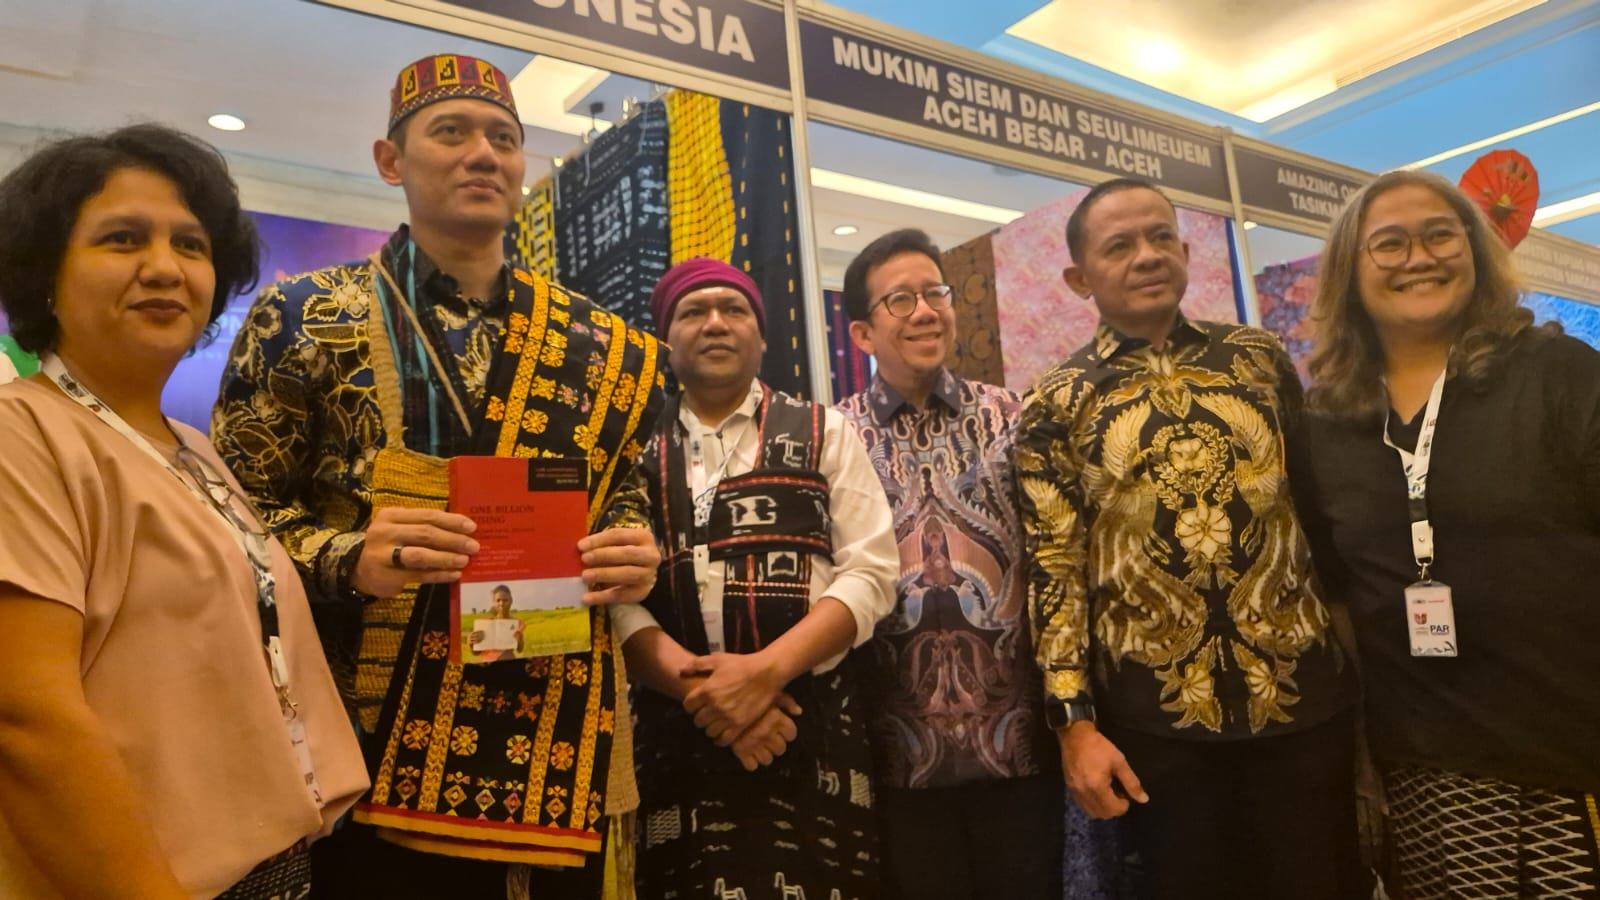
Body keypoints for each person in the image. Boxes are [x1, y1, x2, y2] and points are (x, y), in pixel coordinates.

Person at [212, 54, 667, 899]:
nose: (482, 154)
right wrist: (348, 555)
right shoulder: (305, 316)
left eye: (503, 137)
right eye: (449, 132)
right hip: (366, 740)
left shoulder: (596, 343)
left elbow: (622, 486)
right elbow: (231, 523)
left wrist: (635, 549)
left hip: (557, 734)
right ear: (392, 161)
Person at [0, 124, 367, 899]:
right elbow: (27, 719)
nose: (165, 268)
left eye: (192, 245)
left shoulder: (192, 448)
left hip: (276, 866)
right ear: (43, 272)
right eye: (122, 239)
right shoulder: (20, 431)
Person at [1014, 177, 1360, 899]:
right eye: (1120, 245)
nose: (1147, 256)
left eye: (1160, 237)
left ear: (1186, 251)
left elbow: (1318, 514)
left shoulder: (1259, 361)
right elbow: (1054, 567)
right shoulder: (1055, 401)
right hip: (1156, 720)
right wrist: (1073, 721)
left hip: (1301, 702)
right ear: (1080, 278)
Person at [1291, 169, 1600, 897]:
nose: (1417, 258)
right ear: (1350, 273)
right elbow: (1336, 591)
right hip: (1428, 765)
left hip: (1573, 748)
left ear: (1475, 249)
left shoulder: (1559, 374)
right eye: (1388, 244)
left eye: (1438, 235)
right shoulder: (1327, 421)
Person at [614, 257, 898, 899]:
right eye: (693, 311)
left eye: (734, 309)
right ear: (665, 337)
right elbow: (615, 602)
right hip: (677, 731)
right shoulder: (631, 449)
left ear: (763, 336)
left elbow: (871, 574)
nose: (715, 323)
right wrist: (709, 694)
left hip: (808, 723)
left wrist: (765, 672)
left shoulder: (826, 432)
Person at [835, 229, 1067, 899]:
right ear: (862, 333)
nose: (925, 310)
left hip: (1017, 749)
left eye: (934, 292)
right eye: (900, 299)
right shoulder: (836, 438)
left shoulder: (1011, 417)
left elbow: (1054, 561)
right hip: (897, 756)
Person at [469, 585, 525, 662]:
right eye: (498, 600)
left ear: (511, 600)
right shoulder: (485, 623)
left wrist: (520, 639)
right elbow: (476, 653)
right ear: (493, 602)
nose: (501, 603)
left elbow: (519, 649)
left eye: (505, 600)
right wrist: (471, 643)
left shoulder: (518, 623)